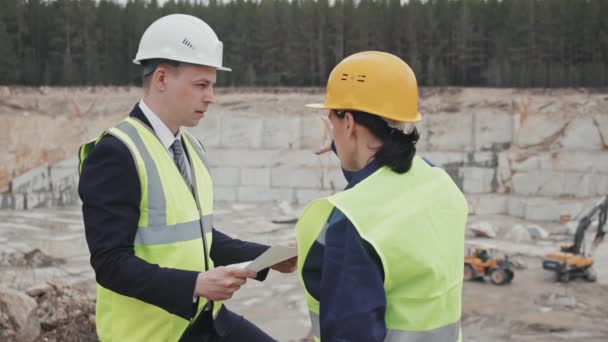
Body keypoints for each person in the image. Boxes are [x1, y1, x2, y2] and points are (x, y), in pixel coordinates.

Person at [78, 14, 295, 342]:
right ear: (162, 78)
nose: (211, 97)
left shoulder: (190, 147)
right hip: (152, 334)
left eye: (212, 86)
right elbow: (110, 263)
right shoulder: (117, 153)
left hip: (203, 320)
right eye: (201, 85)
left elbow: (199, 235)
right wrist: (195, 284)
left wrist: (268, 257)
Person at [295, 51, 468, 341]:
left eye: (332, 118)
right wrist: (344, 146)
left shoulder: (352, 223)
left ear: (348, 122)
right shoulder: (436, 181)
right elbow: (378, 179)